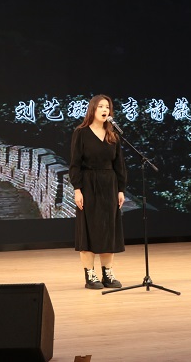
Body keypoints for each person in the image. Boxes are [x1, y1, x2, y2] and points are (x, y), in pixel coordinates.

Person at [69, 94, 127, 289]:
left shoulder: (113, 135)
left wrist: (121, 189)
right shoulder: (81, 133)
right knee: (88, 229)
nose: (104, 110)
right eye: (101, 106)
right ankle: (90, 274)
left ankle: (107, 273)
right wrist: (77, 189)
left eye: (107, 107)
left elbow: (119, 164)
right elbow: (75, 164)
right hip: (88, 184)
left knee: (108, 228)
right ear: (92, 109)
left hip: (109, 185)